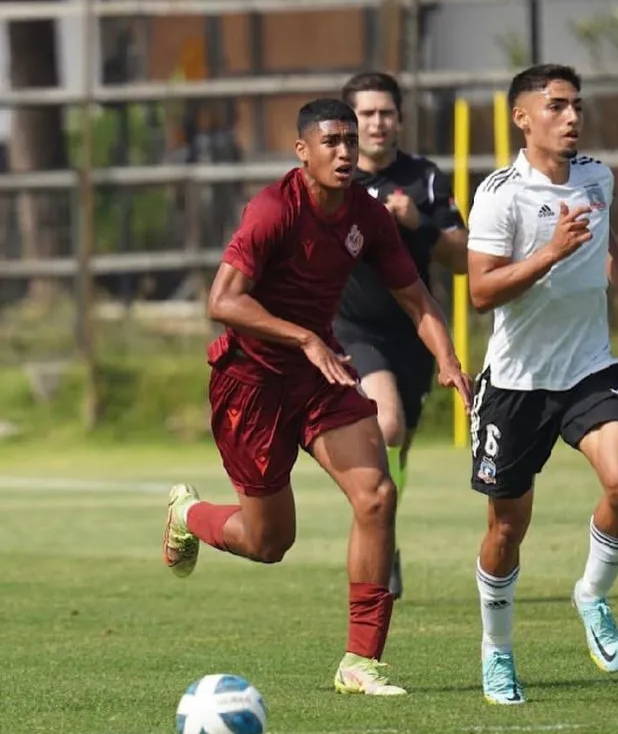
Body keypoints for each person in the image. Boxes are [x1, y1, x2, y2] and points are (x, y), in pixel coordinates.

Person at [161, 98, 472, 697]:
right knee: (268, 542)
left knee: (377, 495)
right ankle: (187, 516)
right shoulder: (273, 208)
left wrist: (449, 360)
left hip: (318, 375)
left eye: (350, 141)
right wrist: (303, 335)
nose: (345, 152)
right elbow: (222, 302)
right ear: (302, 151)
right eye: (331, 141)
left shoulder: (368, 215)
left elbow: (416, 299)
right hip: (251, 383)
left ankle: (361, 660)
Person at [467, 63, 618, 705]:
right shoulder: (499, 194)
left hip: (587, 368)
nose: (572, 117)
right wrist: (547, 252)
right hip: (518, 384)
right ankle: (497, 652)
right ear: (523, 118)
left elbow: (603, 245)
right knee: (506, 530)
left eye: (576, 105)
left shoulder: (596, 177)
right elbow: (481, 291)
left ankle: (593, 594)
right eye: (556, 106)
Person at [334, 72, 468, 600]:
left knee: (401, 442)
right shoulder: (336, 177)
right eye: (366, 114)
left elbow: (463, 261)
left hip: (413, 328)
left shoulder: (425, 179)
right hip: (352, 326)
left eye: (385, 112)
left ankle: (382, 530)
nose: (377, 123)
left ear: (400, 119)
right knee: (385, 423)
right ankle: (379, 536)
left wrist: (419, 223)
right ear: (349, 123)